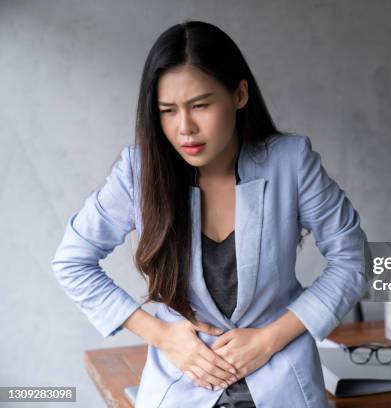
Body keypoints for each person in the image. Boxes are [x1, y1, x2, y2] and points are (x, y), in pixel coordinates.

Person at [52, 20, 369, 408]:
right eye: (167, 111)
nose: (185, 128)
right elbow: (72, 261)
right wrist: (162, 336)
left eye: (200, 105)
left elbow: (352, 259)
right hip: (181, 388)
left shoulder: (291, 162)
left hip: (283, 384)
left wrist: (270, 339)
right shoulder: (138, 173)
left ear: (239, 94)